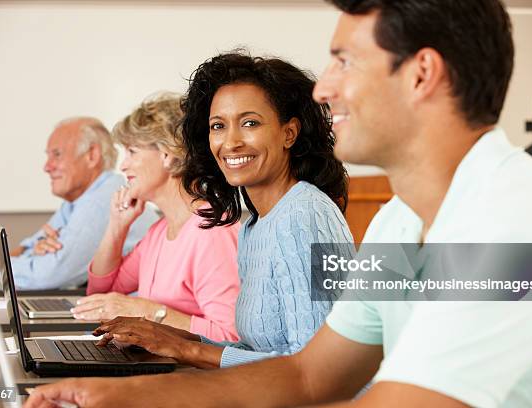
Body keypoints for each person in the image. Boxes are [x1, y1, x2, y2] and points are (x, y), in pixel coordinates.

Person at [25, 0, 532, 407]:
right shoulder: (397, 223)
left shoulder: (515, 226)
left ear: (422, 73)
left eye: (344, 62)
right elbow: (311, 371)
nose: (324, 89)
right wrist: (118, 396)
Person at [90, 52, 353, 368]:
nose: (230, 142)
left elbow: (318, 367)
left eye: (250, 123)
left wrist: (186, 349)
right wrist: (165, 338)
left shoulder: (305, 216)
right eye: (218, 126)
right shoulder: (256, 224)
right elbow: (254, 347)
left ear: (289, 133)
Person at [70, 93, 240, 342]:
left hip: (195, 376)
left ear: (167, 154)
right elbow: (102, 296)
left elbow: (229, 337)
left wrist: (147, 312)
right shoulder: (159, 232)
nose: (123, 166)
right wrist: (117, 227)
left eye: (132, 151)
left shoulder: (212, 232)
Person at [10, 117, 157, 290]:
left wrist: (9, 265)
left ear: (92, 155)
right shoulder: (77, 200)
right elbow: (23, 250)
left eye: (57, 154)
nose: (47, 167)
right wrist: (34, 250)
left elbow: (45, 277)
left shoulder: (101, 201)